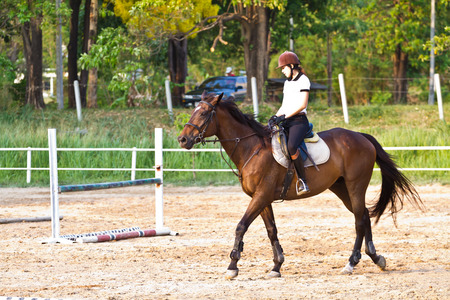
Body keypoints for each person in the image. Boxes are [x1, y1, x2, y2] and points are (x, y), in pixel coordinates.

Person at [269, 51, 311, 194]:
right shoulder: (287, 83)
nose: (282, 71)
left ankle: (303, 182)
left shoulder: (304, 80)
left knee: (292, 146)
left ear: (292, 66)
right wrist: (276, 116)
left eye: (283, 68)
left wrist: (284, 116)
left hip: (299, 121)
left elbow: (302, 105)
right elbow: (284, 105)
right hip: (287, 119)